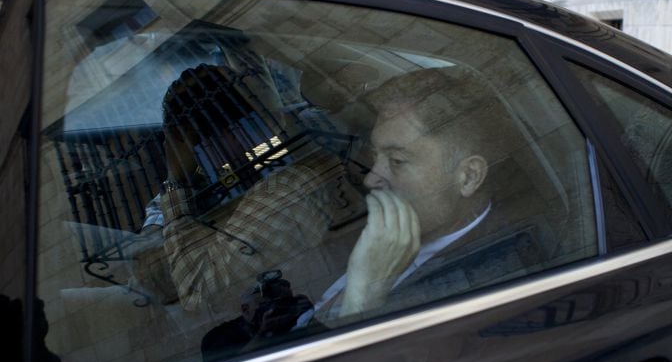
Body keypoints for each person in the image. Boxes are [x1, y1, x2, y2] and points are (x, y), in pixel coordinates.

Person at [302, 66, 536, 323]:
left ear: (468, 177)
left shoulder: (481, 289)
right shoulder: (387, 230)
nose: (370, 178)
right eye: (375, 155)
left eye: (397, 160)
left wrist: (365, 297)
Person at [140, 63, 367, 316]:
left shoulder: (284, 187)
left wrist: (176, 179)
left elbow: (199, 295)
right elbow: (148, 244)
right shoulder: (297, 142)